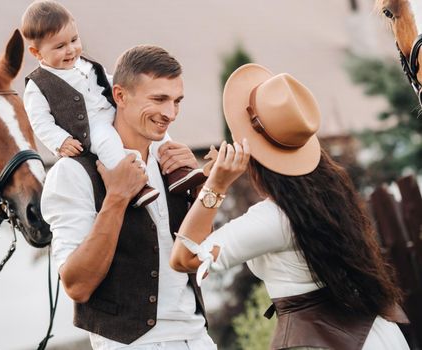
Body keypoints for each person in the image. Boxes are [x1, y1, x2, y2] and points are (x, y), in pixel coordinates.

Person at [170, 63, 410, 349]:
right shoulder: (328, 195)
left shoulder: (274, 219)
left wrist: (216, 187)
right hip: (379, 336)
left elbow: (184, 258)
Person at [40, 45, 216, 350]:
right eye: (159, 99)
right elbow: (76, 286)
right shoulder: (72, 173)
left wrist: (204, 191)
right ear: (119, 96)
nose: (170, 114)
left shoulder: (174, 164)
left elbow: (199, 257)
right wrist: (117, 198)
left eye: (177, 101)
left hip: (198, 338)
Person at [21, 0, 205, 207]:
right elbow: (39, 120)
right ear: (36, 53)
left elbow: (108, 80)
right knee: (109, 144)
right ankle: (135, 185)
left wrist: (127, 90)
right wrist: (60, 141)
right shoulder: (38, 85)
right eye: (60, 46)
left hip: (112, 109)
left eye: (74, 40)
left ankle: (177, 171)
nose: (71, 50)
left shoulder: (84, 63)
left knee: (156, 133)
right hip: (91, 126)